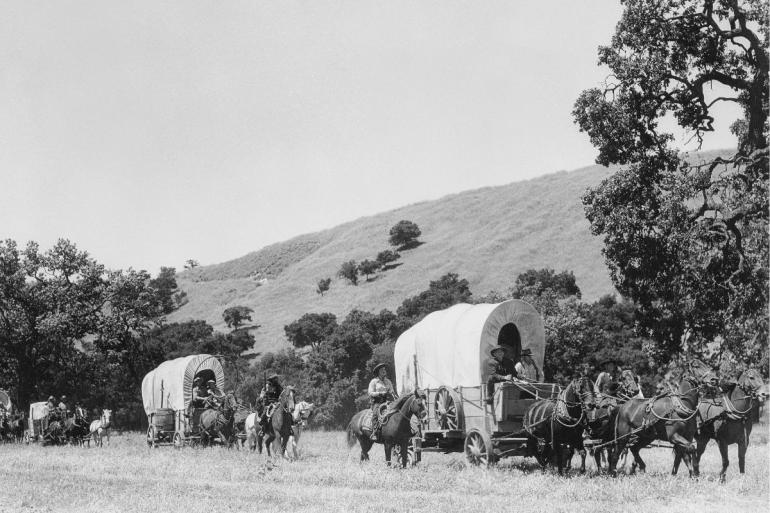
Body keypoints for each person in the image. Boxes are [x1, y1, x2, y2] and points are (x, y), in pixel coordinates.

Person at [368, 363, 397, 441]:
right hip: (377, 402)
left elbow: (392, 391)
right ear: (378, 372)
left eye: (384, 369)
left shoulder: (388, 381)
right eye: (382, 370)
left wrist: (392, 393)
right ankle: (374, 432)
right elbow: (370, 393)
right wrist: (380, 393)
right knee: (375, 414)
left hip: (388, 401)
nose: (384, 371)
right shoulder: (374, 382)